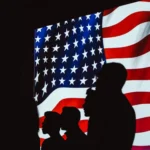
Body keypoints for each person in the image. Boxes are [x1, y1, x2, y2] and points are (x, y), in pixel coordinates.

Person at [83, 62, 136, 150]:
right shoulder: (119, 106)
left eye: (101, 78)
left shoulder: (116, 108)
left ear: (111, 81)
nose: (97, 82)